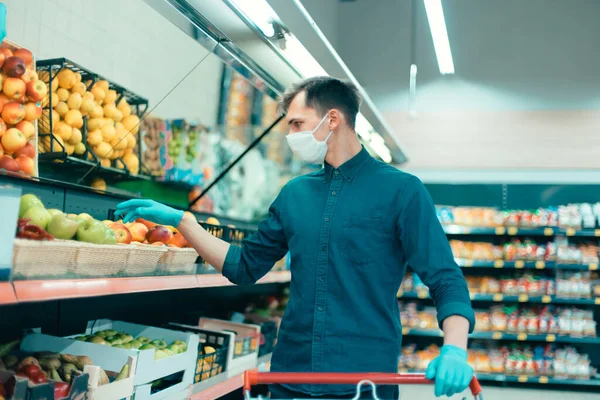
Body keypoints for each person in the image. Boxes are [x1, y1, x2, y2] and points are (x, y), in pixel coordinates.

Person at [116, 77, 475, 399]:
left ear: (331, 119)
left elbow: (445, 279)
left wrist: (455, 349)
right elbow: (244, 266)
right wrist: (184, 222)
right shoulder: (295, 194)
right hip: (290, 377)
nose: (291, 136)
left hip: (364, 383)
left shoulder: (401, 191)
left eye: (297, 124)